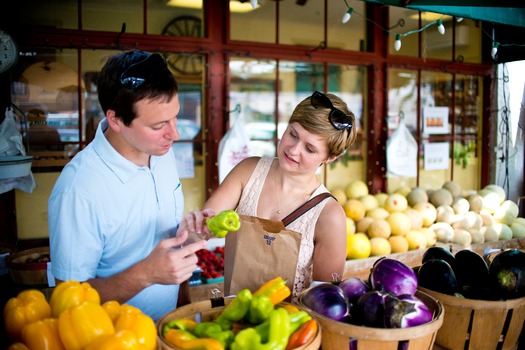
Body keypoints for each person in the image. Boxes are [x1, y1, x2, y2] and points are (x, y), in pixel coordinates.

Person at [48, 50, 211, 320]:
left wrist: (190, 232)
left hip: (172, 326)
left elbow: (161, 242)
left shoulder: (161, 151)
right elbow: (68, 301)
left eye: (175, 117)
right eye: (159, 125)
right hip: (115, 337)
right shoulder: (78, 189)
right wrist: (146, 273)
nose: (175, 134)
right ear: (116, 120)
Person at [194, 91, 357, 302]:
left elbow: (325, 301)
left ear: (330, 157)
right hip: (231, 319)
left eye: (309, 148)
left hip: (288, 329)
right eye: (293, 134)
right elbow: (206, 228)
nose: (293, 150)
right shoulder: (247, 171)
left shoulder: (329, 215)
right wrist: (198, 226)